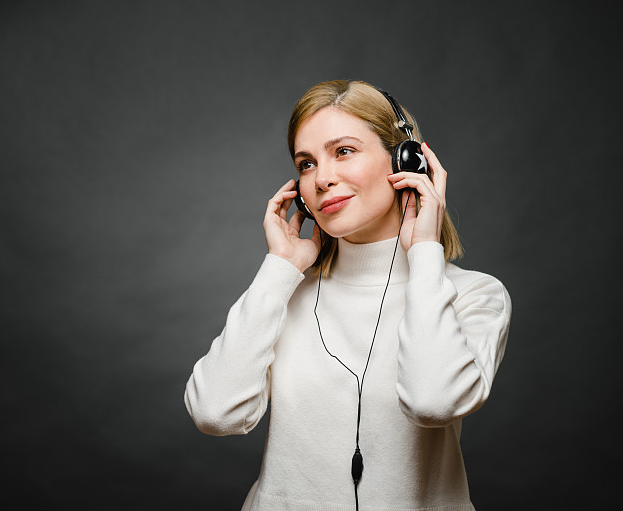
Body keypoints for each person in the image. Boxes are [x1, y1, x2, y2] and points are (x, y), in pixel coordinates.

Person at [184, 80, 511, 511]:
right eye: (306, 163)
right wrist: (279, 270)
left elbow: (434, 401)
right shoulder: (282, 296)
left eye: (343, 151)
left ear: (406, 160)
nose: (322, 179)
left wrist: (425, 253)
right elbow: (215, 413)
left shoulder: (474, 296)